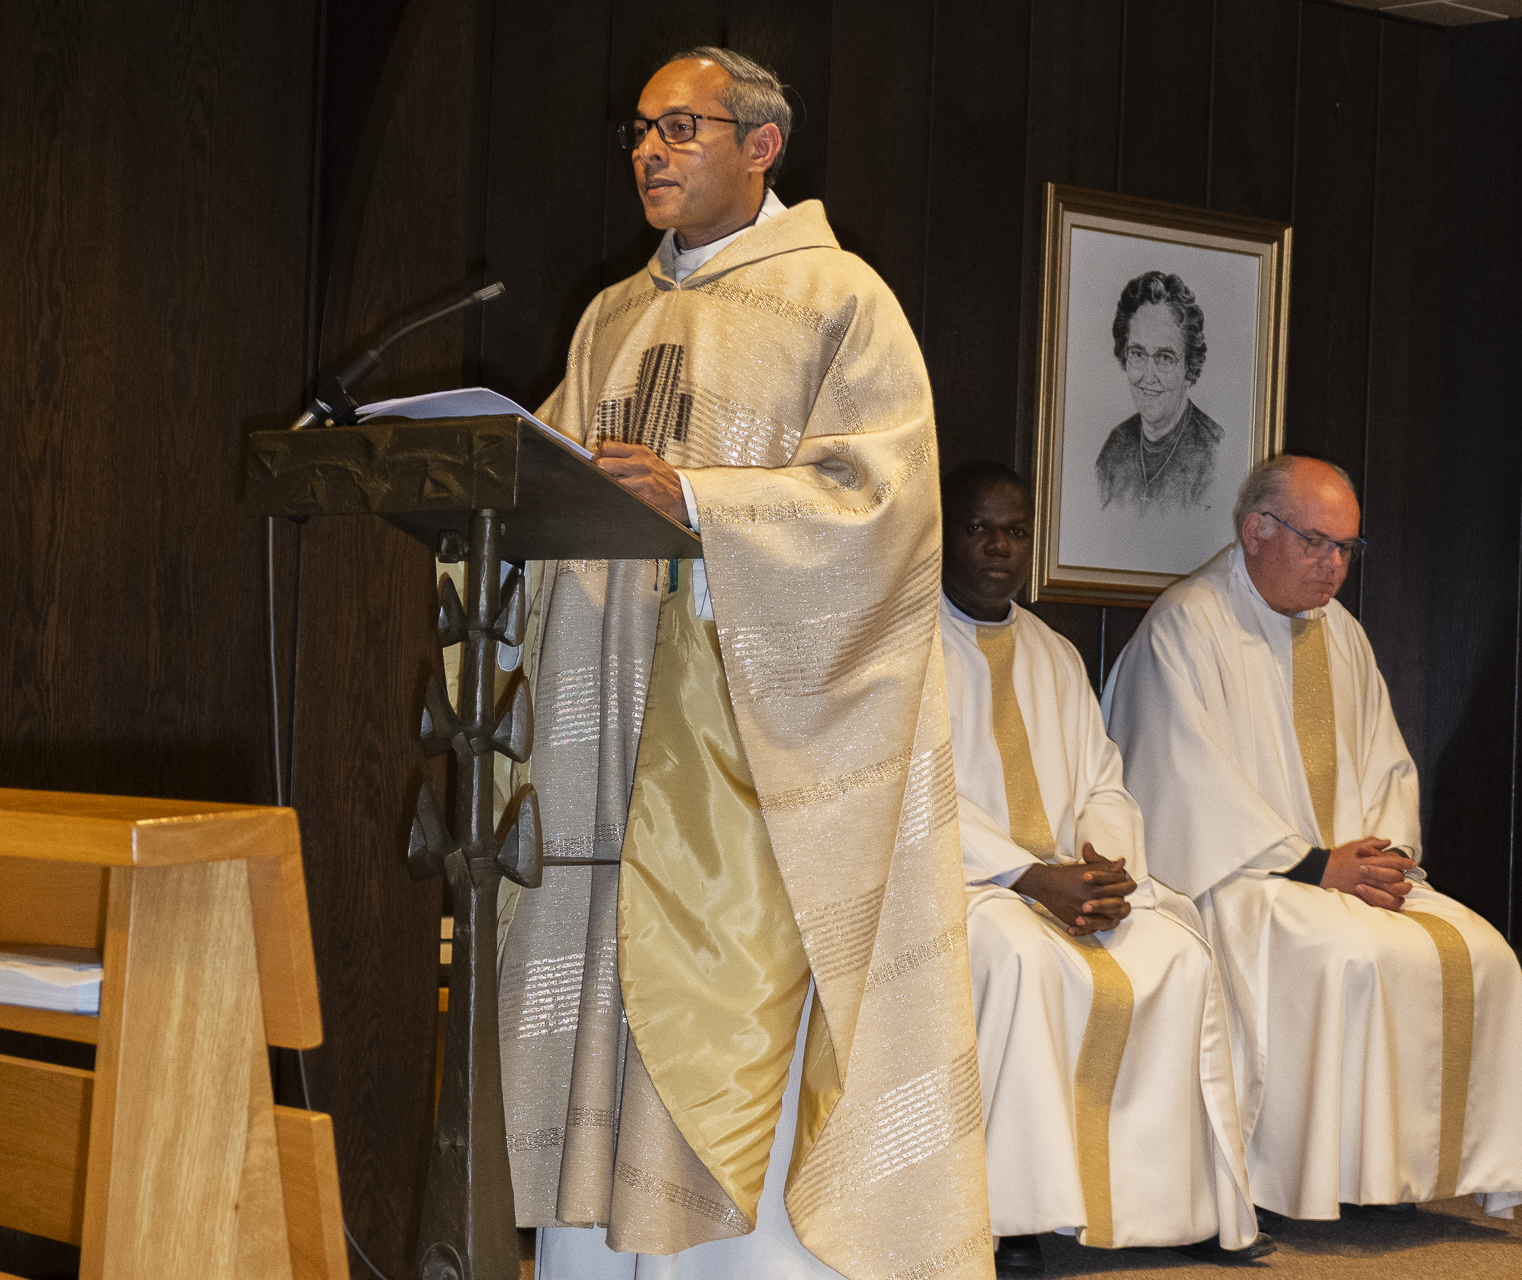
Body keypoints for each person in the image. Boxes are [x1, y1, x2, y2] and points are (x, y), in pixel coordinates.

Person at [494, 46, 989, 1280]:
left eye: (680, 127)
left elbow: (884, 509)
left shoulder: (841, 301)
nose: (649, 151)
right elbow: (545, 481)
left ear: (761, 146)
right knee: (604, 985)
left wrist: (700, 500)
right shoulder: (612, 314)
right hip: (605, 728)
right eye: (640, 131)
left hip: (749, 746)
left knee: (727, 998)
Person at [1101, 455, 1522, 1227]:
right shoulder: (1187, 625)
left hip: (1345, 871)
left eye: (1348, 549)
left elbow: (1387, 763)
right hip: (1237, 879)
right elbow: (1179, 782)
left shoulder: (1341, 634)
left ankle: (1392, 1178)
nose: (1334, 566)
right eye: (1318, 543)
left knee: (1482, 953)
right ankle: (1299, 1181)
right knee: (1347, 955)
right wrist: (1316, 864)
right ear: (1256, 531)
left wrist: (1383, 860)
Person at [937, 462, 1271, 1275]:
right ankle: (1010, 1215)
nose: (998, 548)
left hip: (1064, 884)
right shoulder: (901, 645)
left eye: (1016, 532)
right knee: (1015, 959)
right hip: (963, 885)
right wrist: (1026, 877)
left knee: (1179, 957)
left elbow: (1102, 779)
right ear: (943, 532)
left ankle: (1173, 1206)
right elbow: (910, 789)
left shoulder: (1054, 654)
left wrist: (1103, 872)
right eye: (979, 528)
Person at [1094, 272, 1223, 513]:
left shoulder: (1214, 455)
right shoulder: (1115, 447)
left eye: (1165, 357)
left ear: (1189, 366)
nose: (1148, 376)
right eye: (1138, 354)